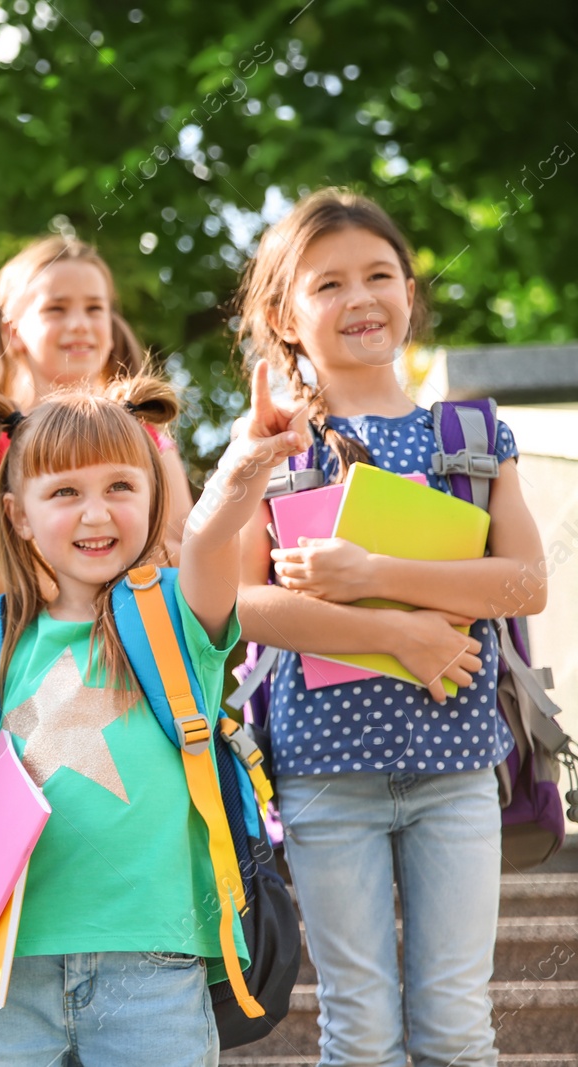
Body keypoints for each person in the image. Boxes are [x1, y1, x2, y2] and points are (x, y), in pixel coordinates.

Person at [0, 362, 307, 1066]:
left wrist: (246, 461)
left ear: (153, 498)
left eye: (121, 486)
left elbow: (211, 539)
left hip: (156, 968)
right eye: (64, 492)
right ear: (18, 515)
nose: (96, 512)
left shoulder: (178, 615)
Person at [234, 188, 548, 1067]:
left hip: (457, 767)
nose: (360, 298)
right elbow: (231, 604)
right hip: (325, 773)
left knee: (455, 1024)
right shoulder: (272, 445)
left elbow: (524, 583)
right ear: (283, 316)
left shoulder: (474, 433)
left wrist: (373, 579)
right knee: (360, 1028)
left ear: (411, 291)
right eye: (327, 284)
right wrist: (395, 635)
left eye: (379, 275)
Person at [0, 235, 194, 576]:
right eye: (56, 308)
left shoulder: (147, 436)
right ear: (13, 332)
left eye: (95, 308)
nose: (80, 323)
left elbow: (182, 551)